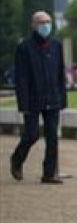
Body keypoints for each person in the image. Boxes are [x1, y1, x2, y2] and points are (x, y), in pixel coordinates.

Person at [10, 11, 67, 184]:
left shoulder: (57, 46)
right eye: (41, 22)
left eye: (48, 21)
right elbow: (21, 78)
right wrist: (23, 103)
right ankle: (17, 159)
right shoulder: (24, 48)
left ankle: (49, 174)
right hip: (33, 99)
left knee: (52, 137)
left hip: (53, 98)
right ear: (33, 25)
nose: (45, 25)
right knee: (31, 134)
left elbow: (60, 74)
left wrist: (62, 98)